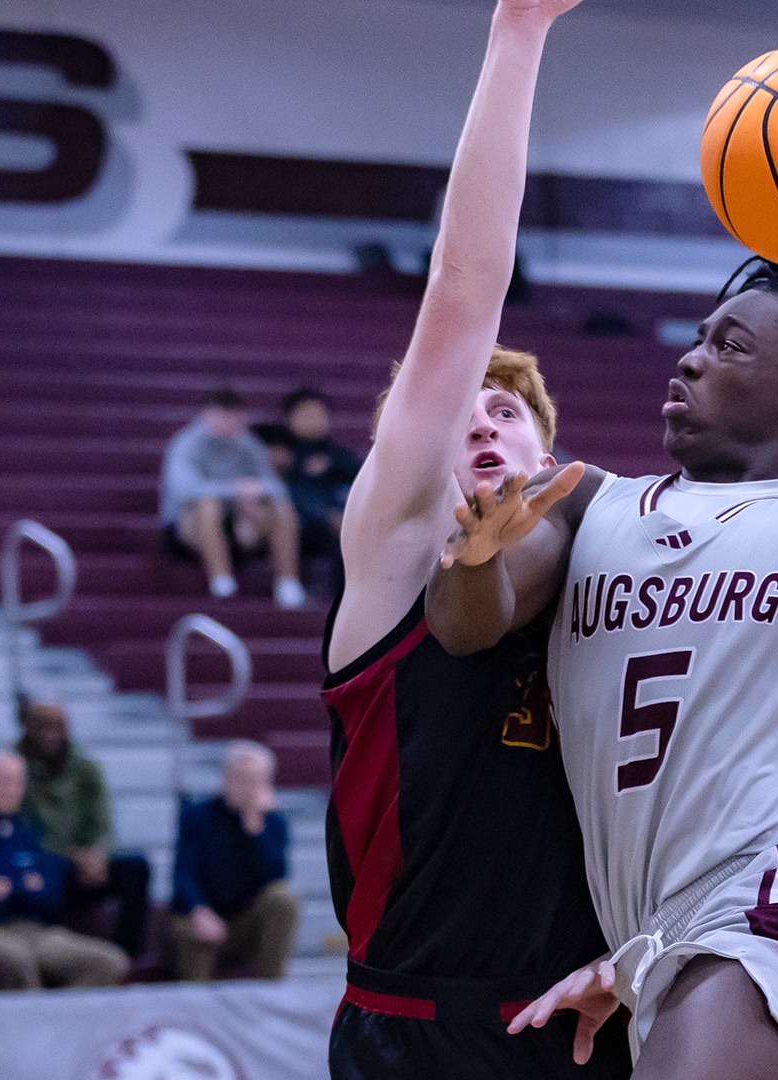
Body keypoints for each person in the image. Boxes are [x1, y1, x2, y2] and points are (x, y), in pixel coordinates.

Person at [431, 119, 778, 1077]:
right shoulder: (592, 504)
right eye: (698, 338)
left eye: (730, 346)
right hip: (651, 937)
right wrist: (467, 557)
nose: (691, 359)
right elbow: (469, 628)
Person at [315, 2, 624, 1077]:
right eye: (462, 411)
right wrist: (520, 31)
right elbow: (463, 292)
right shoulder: (397, 545)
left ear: (552, 454)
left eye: (510, 413)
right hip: (415, 1023)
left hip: (585, 1012)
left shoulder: (606, 561)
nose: (481, 419)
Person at [0, 753, 128, 991]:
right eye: (1, 782)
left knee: (110, 962)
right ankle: (36, 1025)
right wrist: (24, 888)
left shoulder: (31, 835)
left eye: (16, 782)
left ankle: (56, 1020)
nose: (10, 790)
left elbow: (51, 897)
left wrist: (7, 889)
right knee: (17, 961)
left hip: (35, 932)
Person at [15, 702, 150, 960]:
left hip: (88, 864)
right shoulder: (17, 769)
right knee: (48, 870)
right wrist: (71, 855)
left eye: (57, 727)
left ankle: (128, 956)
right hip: (45, 863)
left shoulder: (87, 769)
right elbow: (23, 833)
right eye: (43, 728)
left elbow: (103, 825)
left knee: (136, 868)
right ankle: (52, 958)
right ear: (29, 730)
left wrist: (98, 853)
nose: (50, 735)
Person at [161, 388, 306, 605]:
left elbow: (274, 486)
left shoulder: (247, 444)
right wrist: (237, 491)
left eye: (233, 416)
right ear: (206, 415)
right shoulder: (186, 444)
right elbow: (185, 490)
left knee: (281, 506)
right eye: (222, 415)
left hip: (242, 522)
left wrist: (252, 500)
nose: (228, 422)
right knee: (209, 504)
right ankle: (221, 580)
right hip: (191, 525)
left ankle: (288, 583)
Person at [170, 742, 300, 982]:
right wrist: (199, 911)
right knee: (193, 931)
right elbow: (183, 876)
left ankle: (271, 992)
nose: (245, 788)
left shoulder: (273, 823)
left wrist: (255, 830)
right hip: (203, 912)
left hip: (245, 921)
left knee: (284, 900)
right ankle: (195, 1008)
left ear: (266, 785)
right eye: (238, 778)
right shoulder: (197, 816)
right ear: (224, 778)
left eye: (253, 781)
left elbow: (276, 878)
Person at [255, 388, 362, 586]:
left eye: (319, 414)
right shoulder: (282, 454)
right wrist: (325, 514)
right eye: (307, 414)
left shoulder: (336, 455)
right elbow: (286, 490)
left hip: (339, 518)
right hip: (302, 519)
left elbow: (359, 479)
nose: (314, 419)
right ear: (290, 418)